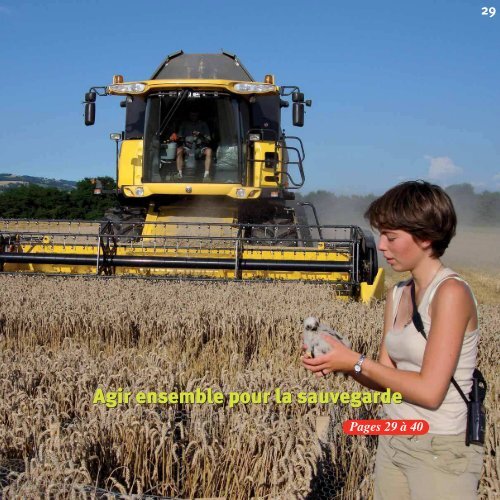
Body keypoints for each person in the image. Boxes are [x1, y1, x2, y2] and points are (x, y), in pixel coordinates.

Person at [302, 180, 483, 499]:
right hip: (393, 439)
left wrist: (356, 361)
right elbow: (384, 379)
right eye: (381, 234)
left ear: (426, 237)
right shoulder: (398, 295)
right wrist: (340, 360)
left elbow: (429, 392)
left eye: (391, 236)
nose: (381, 246)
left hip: (439, 449)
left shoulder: (451, 293)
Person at [175, 110, 212, 181]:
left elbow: (208, 139)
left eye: (195, 115)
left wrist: (200, 135)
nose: (193, 117)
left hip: (200, 148)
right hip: (187, 148)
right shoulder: (184, 124)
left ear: (198, 115)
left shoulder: (203, 124)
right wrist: (177, 137)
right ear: (189, 115)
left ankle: (206, 175)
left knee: (209, 151)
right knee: (179, 150)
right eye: (192, 115)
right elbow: (179, 137)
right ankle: (179, 173)